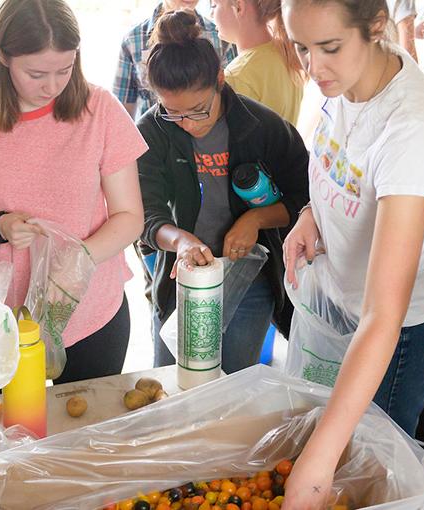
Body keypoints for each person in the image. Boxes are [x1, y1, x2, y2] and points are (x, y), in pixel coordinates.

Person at [278, 0, 424, 507]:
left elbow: (386, 314)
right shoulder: (348, 84)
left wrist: (317, 465)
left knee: (363, 477)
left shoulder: (413, 129)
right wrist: (312, 214)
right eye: (301, 48)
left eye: (330, 48)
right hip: (347, 310)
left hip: (396, 335)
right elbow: (348, 169)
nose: (313, 68)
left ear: (376, 26)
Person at [0, 0, 147, 385]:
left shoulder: (99, 110)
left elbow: (130, 216)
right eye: (36, 73)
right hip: (5, 320)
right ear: (2, 56)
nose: (52, 87)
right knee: (14, 435)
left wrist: (78, 260)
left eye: (64, 70)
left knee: (88, 432)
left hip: (92, 312)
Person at [137, 9, 309, 373]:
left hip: (250, 282)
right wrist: (180, 241)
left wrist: (255, 218)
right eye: (173, 112)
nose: (187, 125)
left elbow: (304, 199)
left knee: (233, 383)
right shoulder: (152, 131)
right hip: (182, 280)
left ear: (219, 79)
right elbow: (145, 214)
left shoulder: (262, 126)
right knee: (170, 384)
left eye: (199, 111)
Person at [116, 0, 238, 118]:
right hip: (153, 135)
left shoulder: (221, 35)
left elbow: (232, 96)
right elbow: (123, 108)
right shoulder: (132, 40)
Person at [210, 0, 305, 125]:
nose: (211, 14)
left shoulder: (238, 76)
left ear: (239, 6)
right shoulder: (288, 56)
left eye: (215, 5)